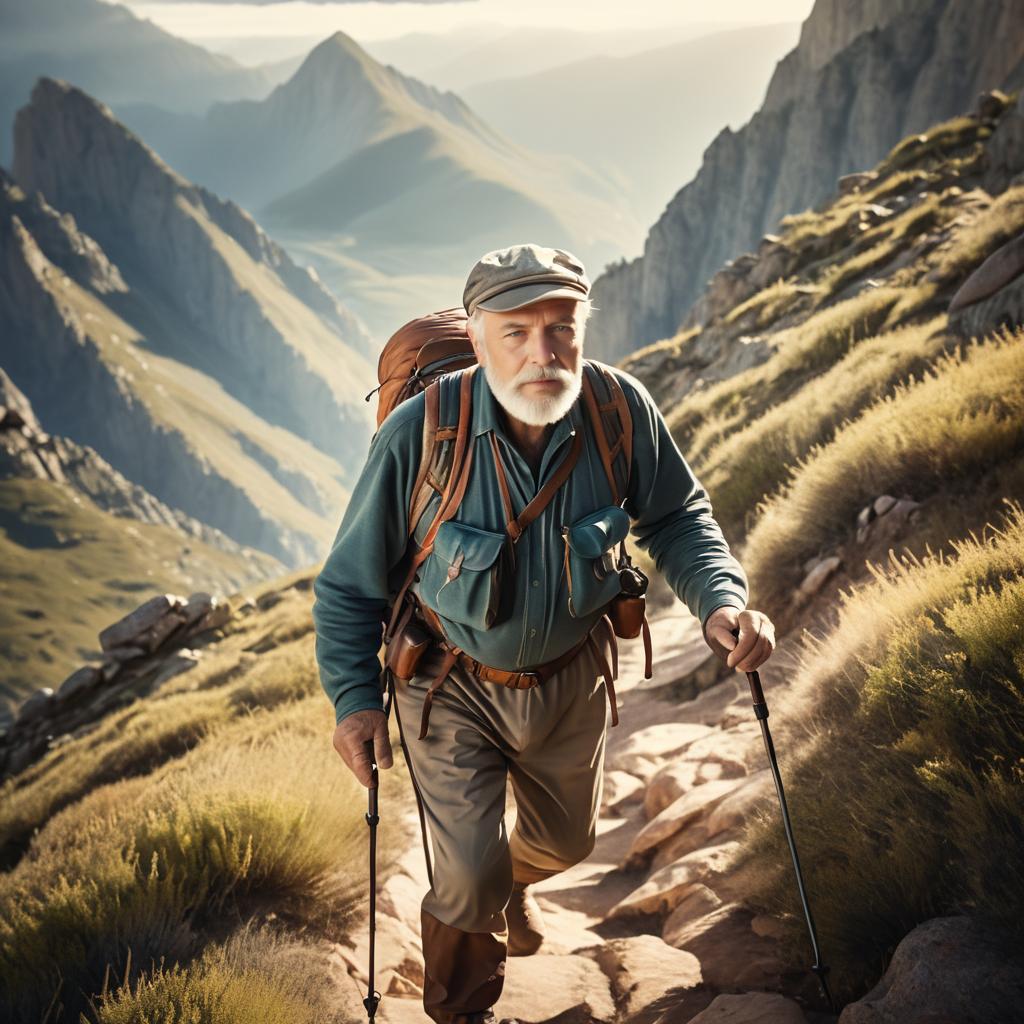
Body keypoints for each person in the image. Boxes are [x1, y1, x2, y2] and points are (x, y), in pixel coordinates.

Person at [312, 243, 776, 1024]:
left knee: (564, 846)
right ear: (479, 334)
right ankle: (463, 1008)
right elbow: (348, 585)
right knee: (464, 872)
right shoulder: (422, 435)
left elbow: (678, 519)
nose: (542, 353)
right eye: (515, 333)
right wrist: (355, 703)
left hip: (572, 679)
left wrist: (721, 602)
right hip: (447, 687)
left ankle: (512, 883)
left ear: (583, 327)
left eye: (560, 328)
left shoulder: (619, 413)